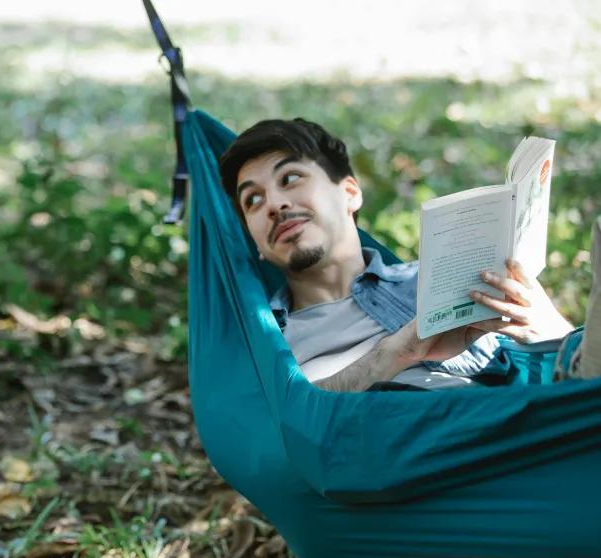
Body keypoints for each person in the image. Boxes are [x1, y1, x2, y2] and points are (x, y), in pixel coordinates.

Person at [216, 117, 600, 392]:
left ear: (350, 192)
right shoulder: (268, 341)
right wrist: (397, 354)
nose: (275, 204)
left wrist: (549, 329)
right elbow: (289, 425)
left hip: (518, 436)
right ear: (255, 244)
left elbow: (560, 381)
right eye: (254, 200)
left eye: (291, 178)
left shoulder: (445, 278)